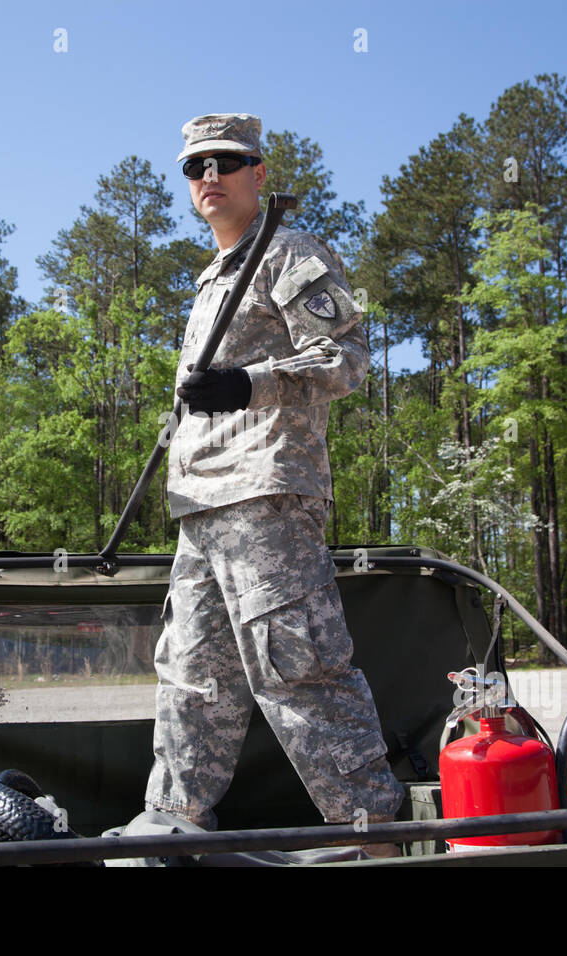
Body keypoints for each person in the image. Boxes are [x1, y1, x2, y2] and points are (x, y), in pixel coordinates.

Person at [143, 113, 403, 851]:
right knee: (192, 674)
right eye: (194, 167)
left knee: (299, 667)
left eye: (226, 162)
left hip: (267, 493)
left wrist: (246, 383)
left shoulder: (288, 253)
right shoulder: (211, 279)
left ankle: (372, 833)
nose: (209, 177)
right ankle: (174, 824)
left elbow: (347, 359)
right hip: (201, 501)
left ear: (258, 174)